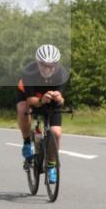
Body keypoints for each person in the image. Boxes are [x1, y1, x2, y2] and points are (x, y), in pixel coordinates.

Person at [16, 44, 70, 183]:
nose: (47, 69)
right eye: (43, 65)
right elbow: (30, 100)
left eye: (51, 65)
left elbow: (62, 100)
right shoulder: (28, 72)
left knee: (56, 133)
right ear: (37, 63)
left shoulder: (62, 73)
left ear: (56, 64)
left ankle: (51, 166)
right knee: (23, 109)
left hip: (50, 100)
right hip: (31, 97)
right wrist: (41, 100)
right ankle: (27, 142)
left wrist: (59, 97)